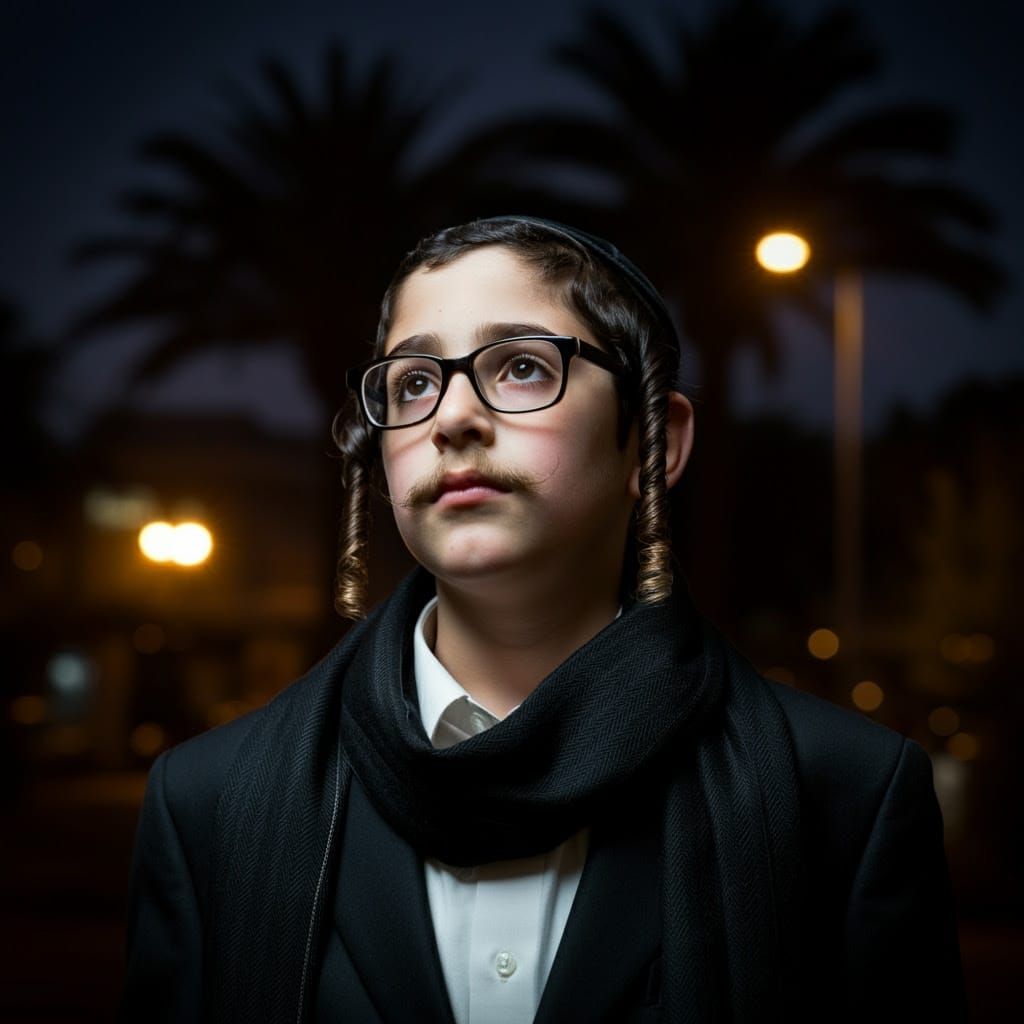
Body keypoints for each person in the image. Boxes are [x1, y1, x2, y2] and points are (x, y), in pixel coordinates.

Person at [120, 216, 967, 1023]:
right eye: (413, 382)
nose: (453, 418)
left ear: (656, 442)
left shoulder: (846, 794)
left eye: (522, 366)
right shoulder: (208, 803)